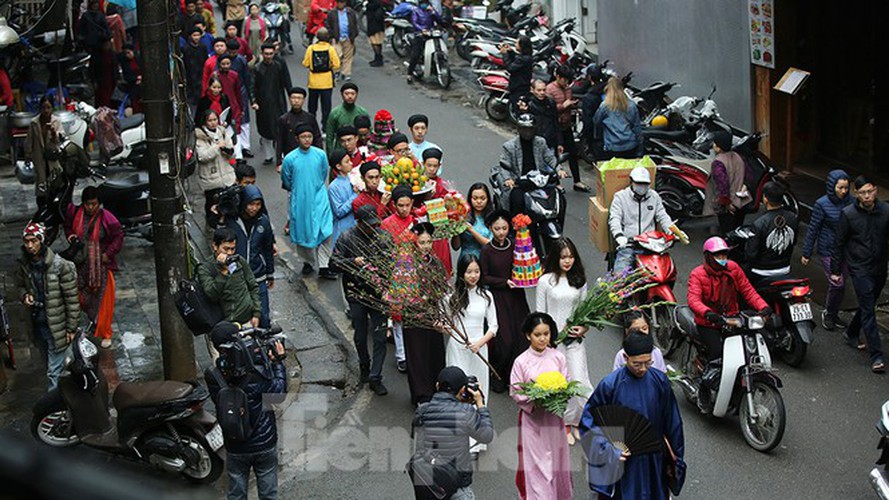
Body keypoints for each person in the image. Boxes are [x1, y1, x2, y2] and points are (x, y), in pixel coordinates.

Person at [579, 332, 686, 500]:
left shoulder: (660, 381)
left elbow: (673, 422)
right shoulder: (610, 385)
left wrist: (675, 459)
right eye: (637, 364)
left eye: (647, 362)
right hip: (623, 462)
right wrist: (607, 449)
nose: (643, 368)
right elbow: (588, 422)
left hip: (654, 459)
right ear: (625, 357)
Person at [206, 322, 286, 500]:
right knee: (268, 492)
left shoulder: (213, 374)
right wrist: (277, 363)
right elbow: (278, 395)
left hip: (235, 443)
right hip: (264, 442)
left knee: (236, 492)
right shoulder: (256, 372)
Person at [687, 236, 768, 410]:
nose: (723, 259)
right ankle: (704, 388)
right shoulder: (698, 274)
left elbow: (748, 291)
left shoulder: (733, 269)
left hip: (731, 320)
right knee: (717, 353)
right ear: (708, 256)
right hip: (708, 323)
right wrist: (707, 313)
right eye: (718, 256)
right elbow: (693, 299)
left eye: (724, 255)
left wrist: (763, 307)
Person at [510, 312, 573, 499]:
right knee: (537, 468)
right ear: (528, 335)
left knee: (557, 463)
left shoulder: (558, 357)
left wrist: (559, 396)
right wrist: (536, 400)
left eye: (546, 334)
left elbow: (567, 382)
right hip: (533, 422)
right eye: (538, 335)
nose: (543, 338)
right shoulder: (521, 361)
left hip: (554, 421)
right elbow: (516, 391)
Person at [535, 237, 592, 446]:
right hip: (552, 341)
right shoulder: (545, 281)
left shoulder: (580, 281)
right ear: (555, 259)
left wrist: (584, 328)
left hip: (575, 341)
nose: (567, 261)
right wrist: (544, 338)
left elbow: (586, 312)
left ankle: (576, 420)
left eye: (570, 257)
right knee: (560, 382)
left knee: (578, 379)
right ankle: (563, 423)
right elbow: (540, 313)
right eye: (563, 257)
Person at [330, 205, 391, 395]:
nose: (372, 228)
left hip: (378, 295)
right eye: (368, 225)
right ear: (359, 223)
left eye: (375, 224)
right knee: (360, 335)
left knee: (380, 337)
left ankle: (375, 376)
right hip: (356, 294)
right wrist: (352, 262)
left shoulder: (384, 237)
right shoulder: (347, 237)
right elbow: (333, 263)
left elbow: (394, 262)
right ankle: (364, 363)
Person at [832, 175, 889, 373]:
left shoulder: (886, 211)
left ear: (876, 190)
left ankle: (851, 332)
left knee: (868, 305)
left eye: (870, 191)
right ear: (856, 194)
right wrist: (835, 270)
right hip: (859, 267)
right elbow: (838, 242)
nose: (867, 196)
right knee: (868, 306)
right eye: (862, 193)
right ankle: (876, 355)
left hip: (879, 267)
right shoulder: (848, 214)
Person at [410, 366, 494, 498]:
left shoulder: (423, 410)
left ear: (437, 386)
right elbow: (487, 435)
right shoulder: (465, 411)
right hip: (456, 483)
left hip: (427, 481)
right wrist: (480, 404)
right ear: (462, 389)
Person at [14, 222, 79, 391]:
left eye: (33, 241)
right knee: (50, 366)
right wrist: (24, 295)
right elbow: (19, 285)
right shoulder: (24, 265)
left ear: (41, 241)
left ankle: (55, 408)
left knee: (54, 371)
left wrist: (71, 328)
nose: (30, 245)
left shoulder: (59, 265)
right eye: (27, 241)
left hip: (57, 326)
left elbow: (72, 298)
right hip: (37, 324)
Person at [445, 254, 497, 452]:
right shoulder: (451, 297)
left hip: (478, 349)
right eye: (469, 272)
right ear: (462, 273)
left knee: (477, 391)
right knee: (458, 391)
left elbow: (493, 326)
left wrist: (480, 343)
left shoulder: (486, 296)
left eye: (476, 271)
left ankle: (477, 437)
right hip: (458, 348)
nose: (473, 275)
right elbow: (448, 325)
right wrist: (443, 327)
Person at [63, 185, 124, 349]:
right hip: (81, 265)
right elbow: (67, 225)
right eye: (88, 204)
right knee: (80, 297)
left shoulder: (106, 218)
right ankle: (91, 324)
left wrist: (108, 254)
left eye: (94, 204)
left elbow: (118, 236)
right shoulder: (75, 214)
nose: (91, 207)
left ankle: (104, 332)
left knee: (104, 301)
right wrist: (71, 236)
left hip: (101, 267)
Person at [480, 210, 530, 393]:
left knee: (521, 336)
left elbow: (526, 263)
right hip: (498, 297)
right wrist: (503, 282)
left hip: (517, 296)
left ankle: (516, 376)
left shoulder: (515, 245)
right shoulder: (486, 250)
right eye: (497, 228)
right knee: (504, 339)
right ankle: (498, 374)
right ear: (490, 229)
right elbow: (484, 277)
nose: (501, 232)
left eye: (504, 228)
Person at [281, 124, 337, 279]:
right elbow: (286, 180)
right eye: (303, 137)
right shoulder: (290, 158)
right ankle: (308, 262)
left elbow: (323, 173)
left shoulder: (320, 154)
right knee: (302, 232)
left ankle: (324, 265)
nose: (307, 140)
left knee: (326, 231)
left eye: (309, 136)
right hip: (300, 201)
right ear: (297, 139)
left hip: (319, 197)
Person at [609, 166, 688, 272]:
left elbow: (662, 216)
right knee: (620, 277)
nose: (642, 186)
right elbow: (615, 219)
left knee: (666, 272)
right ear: (631, 181)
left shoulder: (654, 197)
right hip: (629, 244)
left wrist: (674, 232)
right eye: (639, 183)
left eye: (645, 184)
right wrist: (619, 235)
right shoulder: (620, 197)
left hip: (650, 244)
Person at [801, 169, 852, 331]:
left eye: (846, 188)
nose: (844, 191)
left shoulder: (851, 202)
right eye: (840, 188)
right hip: (828, 249)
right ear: (832, 187)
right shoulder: (821, 204)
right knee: (837, 283)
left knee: (842, 284)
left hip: (846, 249)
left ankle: (834, 313)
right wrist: (806, 252)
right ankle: (829, 314)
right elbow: (813, 229)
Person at [403, 222, 447, 405]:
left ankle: (436, 389)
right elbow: (401, 292)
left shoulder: (435, 262)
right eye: (422, 242)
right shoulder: (406, 263)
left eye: (429, 242)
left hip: (432, 314)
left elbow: (442, 287)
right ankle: (421, 394)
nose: (426, 246)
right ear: (415, 243)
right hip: (414, 317)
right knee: (417, 356)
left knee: (434, 353)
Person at [222, 185, 276, 328]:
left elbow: (267, 248)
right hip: (236, 277)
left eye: (258, 204)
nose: (254, 208)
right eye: (251, 204)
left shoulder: (263, 222)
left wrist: (270, 273)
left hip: (258, 275)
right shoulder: (231, 221)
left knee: (263, 317)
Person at [492, 114, 567, 216]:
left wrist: (559, 169)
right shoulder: (509, 146)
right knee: (517, 201)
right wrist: (508, 179)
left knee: (560, 199)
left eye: (530, 129)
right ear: (518, 129)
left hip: (538, 181)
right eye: (524, 129)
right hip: (519, 183)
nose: (527, 132)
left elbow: (550, 158)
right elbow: (505, 166)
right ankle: (516, 228)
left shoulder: (540, 142)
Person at [197, 227, 262, 329]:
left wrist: (256, 313)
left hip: (248, 321)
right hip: (224, 326)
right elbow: (211, 294)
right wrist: (223, 272)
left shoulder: (240, 261)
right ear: (215, 246)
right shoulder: (205, 268)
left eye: (233, 249)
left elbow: (253, 286)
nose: (230, 253)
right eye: (226, 249)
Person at [381, 186, 416, 372]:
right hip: (395, 274)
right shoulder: (386, 224)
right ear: (394, 205)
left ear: (412, 204)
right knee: (397, 316)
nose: (404, 209)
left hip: (416, 274)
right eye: (400, 205)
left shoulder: (418, 220)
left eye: (407, 205)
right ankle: (401, 354)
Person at [745, 182, 799, 286]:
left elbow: (751, 254)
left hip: (761, 271)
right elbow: (794, 241)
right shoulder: (793, 218)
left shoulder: (759, 224)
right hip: (785, 268)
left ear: (765, 198)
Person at [546, 64, 589, 192]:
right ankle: (556, 183)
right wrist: (563, 105)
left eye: (567, 80)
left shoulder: (568, 89)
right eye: (564, 79)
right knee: (554, 156)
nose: (566, 82)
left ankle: (577, 181)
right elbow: (548, 110)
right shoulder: (549, 90)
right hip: (554, 128)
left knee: (573, 154)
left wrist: (572, 105)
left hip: (566, 126)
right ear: (557, 76)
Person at [703, 130, 752, 235]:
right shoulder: (739, 156)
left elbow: (722, 186)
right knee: (738, 231)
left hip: (728, 207)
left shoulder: (718, 163)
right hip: (742, 202)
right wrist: (745, 187)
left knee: (728, 233)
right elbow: (748, 175)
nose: (713, 145)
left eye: (715, 143)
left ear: (719, 147)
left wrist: (727, 204)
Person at [252, 42, 292, 166]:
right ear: (262, 54)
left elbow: (286, 81)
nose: (268, 56)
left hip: (278, 101)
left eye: (271, 54)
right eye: (266, 54)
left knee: (280, 128)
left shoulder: (279, 66)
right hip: (263, 104)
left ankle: (282, 154)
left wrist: (291, 95)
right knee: (265, 129)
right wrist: (254, 101)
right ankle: (268, 155)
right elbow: (252, 86)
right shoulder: (257, 68)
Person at [195, 108, 236, 227]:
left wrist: (227, 150)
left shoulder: (222, 132)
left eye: (215, 119)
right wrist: (217, 147)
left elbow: (232, 152)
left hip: (227, 176)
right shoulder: (200, 137)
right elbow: (202, 156)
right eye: (210, 120)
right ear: (205, 122)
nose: (213, 122)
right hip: (211, 179)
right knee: (212, 208)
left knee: (229, 207)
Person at [592, 76, 643, 160]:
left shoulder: (605, 106)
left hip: (612, 146)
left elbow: (596, 122)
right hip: (630, 145)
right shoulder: (631, 105)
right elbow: (637, 128)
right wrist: (640, 151)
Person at [26, 96, 65, 203]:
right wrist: (28, 155)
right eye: (44, 108)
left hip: (52, 157)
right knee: (41, 185)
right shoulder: (34, 123)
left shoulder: (56, 121)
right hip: (39, 158)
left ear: (52, 108)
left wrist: (53, 133)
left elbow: (60, 140)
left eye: (48, 107)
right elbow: (29, 140)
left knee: (55, 183)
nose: (46, 110)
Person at [276, 87, 323, 172]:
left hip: (309, 157)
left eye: (299, 98)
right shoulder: (283, 119)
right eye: (294, 98)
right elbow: (279, 141)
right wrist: (279, 162)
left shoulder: (310, 118)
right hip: (291, 157)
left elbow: (317, 137)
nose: (296, 101)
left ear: (303, 100)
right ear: (289, 99)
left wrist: (320, 157)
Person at [303, 27, 340, 127]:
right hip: (326, 82)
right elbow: (337, 64)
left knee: (312, 107)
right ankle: (325, 127)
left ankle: (311, 125)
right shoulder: (330, 49)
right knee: (326, 107)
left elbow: (305, 63)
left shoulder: (311, 48)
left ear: (317, 37)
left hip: (313, 82)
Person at [213, 55, 247, 159]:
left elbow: (238, 92)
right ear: (219, 64)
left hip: (233, 106)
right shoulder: (215, 76)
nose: (226, 66)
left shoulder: (234, 75)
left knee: (236, 130)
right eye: (223, 64)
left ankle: (238, 156)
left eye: (228, 64)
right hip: (221, 107)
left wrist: (241, 108)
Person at [519, 79, 562, 158]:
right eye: (539, 90)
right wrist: (523, 111)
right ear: (533, 90)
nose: (542, 93)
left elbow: (556, 122)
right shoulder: (528, 104)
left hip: (549, 142)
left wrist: (559, 143)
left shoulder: (551, 102)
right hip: (534, 143)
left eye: (544, 90)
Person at [452, 183, 493, 261]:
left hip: (486, 260)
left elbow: (491, 245)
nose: (479, 201)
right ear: (470, 199)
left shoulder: (492, 218)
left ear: (488, 199)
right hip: (466, 260)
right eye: (475, 198)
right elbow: (456, 247)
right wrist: (456, 230)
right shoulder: (463, 216)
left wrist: (472, 230)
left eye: (482, 198)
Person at [325, 83, 369, 151]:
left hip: (359, 150)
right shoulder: (335, 113)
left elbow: (369, 133)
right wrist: (330, 155)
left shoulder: (362, 112)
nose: (350, 96)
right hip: (340, 150)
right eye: (347, 93)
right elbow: (329, 137)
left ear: (356, 94)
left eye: (352, 93)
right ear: (342, 95)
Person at [405, 0, 441, 84]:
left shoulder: (430, 11)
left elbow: (439, 20)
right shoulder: (415, 11)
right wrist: (422, 30)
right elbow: (414, 22)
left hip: (431, 33)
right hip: (420, 34)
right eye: (423, 2)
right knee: (416, 54)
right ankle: (409, 74)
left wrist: (433, 12)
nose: (425, 4)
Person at [328, 148, 358, 245]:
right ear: (338, 166)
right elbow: (339, 211)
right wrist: (355, 195)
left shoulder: (354, 178)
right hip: (343, 227)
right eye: (347, 162)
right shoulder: (334, 187)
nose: (351, 163)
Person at [324, 0, 359, 81]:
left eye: (342, 2)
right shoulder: (332, 13)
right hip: (336, 38)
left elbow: (355, 23)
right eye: (339, 2)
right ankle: (336, 71)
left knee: (348, 56)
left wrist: (354, 34)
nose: (340, 4)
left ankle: (346, 73)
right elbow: (327, 24)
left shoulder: (350, 12)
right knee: (336, 55)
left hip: (348, 38)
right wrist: (332, 35)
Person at [500, 35, 533, 114]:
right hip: (520, 84)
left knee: (517, 105)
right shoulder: (525, 57)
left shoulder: (524, 59)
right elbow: (516, 59)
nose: (515, 45)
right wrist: (510, 52)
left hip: (519, 85)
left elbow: (510, 68)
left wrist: (505, 55)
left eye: (517, 43)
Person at [183, 27, 210, 109]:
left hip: (201, 75)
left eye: (198, 35)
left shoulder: (203, 47)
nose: (196, 37)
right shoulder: (185, 48)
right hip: (190, 77)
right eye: (194, 35)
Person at [116, 43, 143, 113]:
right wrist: (136, 78)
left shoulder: (139, 58)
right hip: (133, 85)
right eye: (125, 53)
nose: (128, 55)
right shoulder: (125, 63)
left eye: (129, 52)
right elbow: (126, 76)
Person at [365, 0, 386, 67]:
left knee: (374, 43)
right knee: (378, 43)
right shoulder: (379, 4)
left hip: (373, 26)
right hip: (379, 26)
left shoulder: (370, 5)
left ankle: (378, 59)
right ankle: (378, 58)